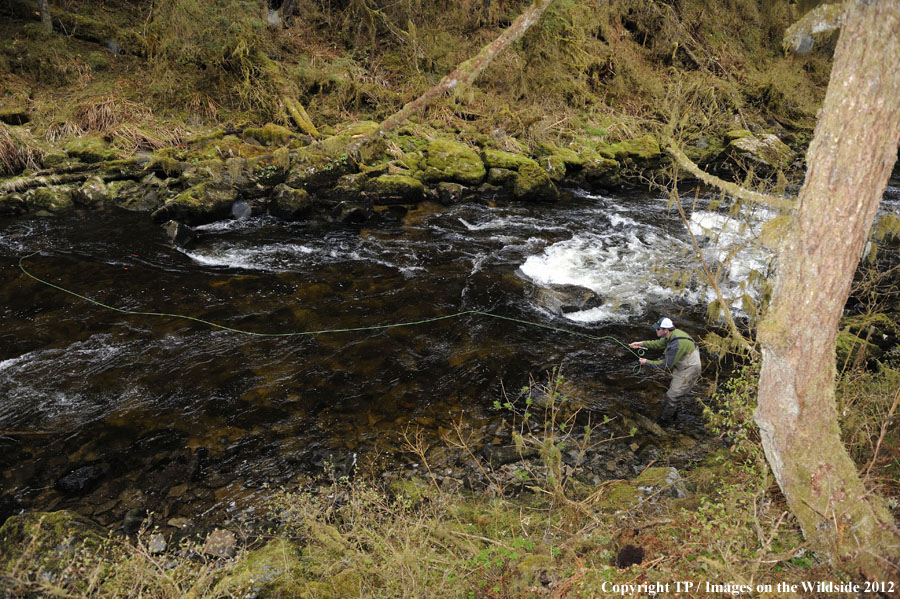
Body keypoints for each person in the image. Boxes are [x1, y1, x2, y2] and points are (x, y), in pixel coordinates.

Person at [629, 317, 701, 422]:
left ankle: (665, 420)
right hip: (683, 362)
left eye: (658, 329)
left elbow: (665, 365)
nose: (656, 330)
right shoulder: (672, 335)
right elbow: (658, 344)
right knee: (675, 390)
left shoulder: (675, 344)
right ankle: (674, 409)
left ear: (665, 330)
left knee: (671, 395)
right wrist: (641, 344)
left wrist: (646, 362)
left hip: (690, 368)